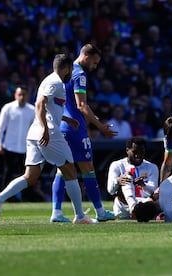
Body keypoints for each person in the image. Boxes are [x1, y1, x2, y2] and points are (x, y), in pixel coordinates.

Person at [0, 54, 98, 224]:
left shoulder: (49, 80)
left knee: (30, 176)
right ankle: (80, 216)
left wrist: (66, 119)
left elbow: (49, 108)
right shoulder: (55, 82)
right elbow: (40, 104)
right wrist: (46, 129)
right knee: (70, 170)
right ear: (66, 68)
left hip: (33, 134)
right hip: (49, 133)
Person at [50, 44, 118, 223]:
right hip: (75, 130)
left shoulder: (65, 71)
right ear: (86, 58)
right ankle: (100, 211)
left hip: (62, 126)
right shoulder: (79, 74)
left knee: (62, 170)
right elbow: (81, 105)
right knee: (88, 170)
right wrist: (100, 126)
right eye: (95, 63)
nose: (95, 67)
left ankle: (56, 212)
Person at [0, 85, 35, 198]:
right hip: (9, 147)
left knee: (28, 175)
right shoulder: (8, 108)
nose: (22, 97)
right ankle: (4, 198)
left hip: (26, 148)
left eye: (24, 94)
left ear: (28, 96)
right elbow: (0, 128)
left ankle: (27, 198)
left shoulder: (32, 110)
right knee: (8, 174)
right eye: (20, 94)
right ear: (15, 95)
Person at [106, 137, 159, 219]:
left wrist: (143, 185)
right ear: (127, 150)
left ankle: (137, 209)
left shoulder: (152, 167)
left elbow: (153, 191)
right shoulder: (116, 165)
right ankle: (132, 206)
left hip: (144, 204)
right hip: (123, 205)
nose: (138, 155)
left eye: (141, 152)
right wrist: (118, 181)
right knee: (127, 176)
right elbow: (110, 191)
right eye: (134, 152)